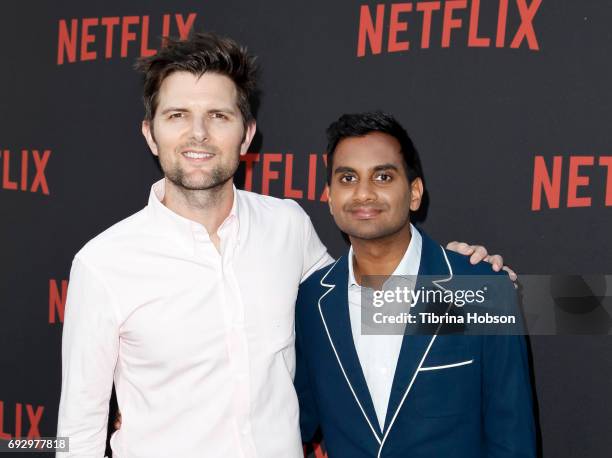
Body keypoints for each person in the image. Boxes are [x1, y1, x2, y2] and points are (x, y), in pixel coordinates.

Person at [56, 33, 513, 457]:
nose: (198, 134)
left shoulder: (287, 225)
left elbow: (362, 304)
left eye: (219, 116)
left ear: (247, 134)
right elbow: (77, 432)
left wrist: (468, 280)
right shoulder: (103, 265)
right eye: (178, 116)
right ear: (150, 133)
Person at [294, 112, 535, 457]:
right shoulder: (313, 299)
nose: (363, 193)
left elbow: (512, 438)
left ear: (415, 193)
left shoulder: (480, 290)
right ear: (330, 197)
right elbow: (291, 419)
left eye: (382, 176)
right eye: (347, 178)